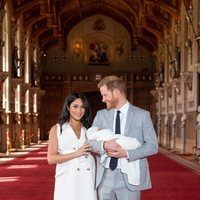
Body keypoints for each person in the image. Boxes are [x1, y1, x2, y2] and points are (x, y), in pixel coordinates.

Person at [89, 75, 158, 200]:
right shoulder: (101, 115)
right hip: (104, 177)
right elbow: (90, 142)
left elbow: (152, 146)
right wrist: (104, 145)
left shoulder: (142, 115)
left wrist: (127, 153)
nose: (102, 99)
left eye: (105, 95)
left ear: (116, 92)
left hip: (130, 177)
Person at [47, 93, 97, 200]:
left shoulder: (90, 128)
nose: (79, 111)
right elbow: (51, 158)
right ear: (68, 107)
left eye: (83, 107)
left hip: (87, 174)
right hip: (67, 175)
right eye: (75, 106)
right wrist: (76, 154)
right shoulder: (57, 129)